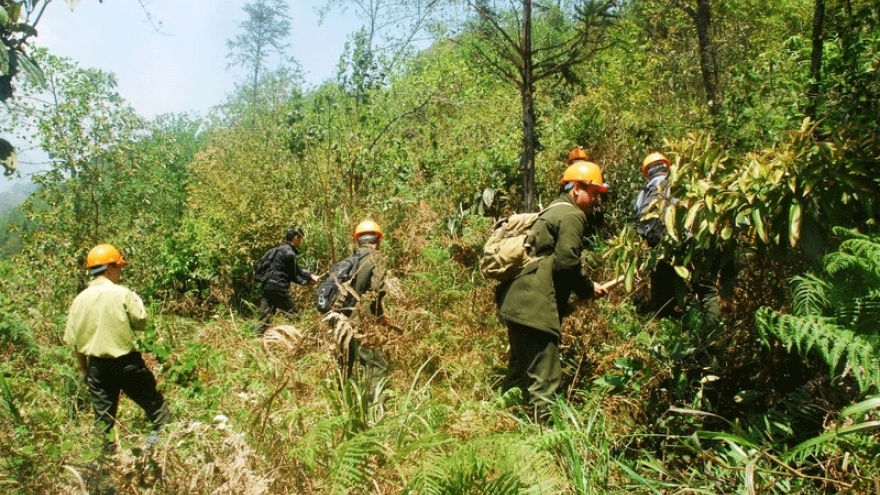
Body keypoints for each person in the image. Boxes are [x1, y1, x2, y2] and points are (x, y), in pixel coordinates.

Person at [495, 156, 610, 411]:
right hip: (534, 306)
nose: (595, 200)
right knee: (545, 380)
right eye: (593, 192)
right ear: (576, 188)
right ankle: (542, 444)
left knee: (518, 371)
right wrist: (588, 288)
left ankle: (496, 424)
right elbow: (567, 263)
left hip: (516, 301)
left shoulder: (550, 211)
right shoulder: (571, 213)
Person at [64, 244, 171, 454]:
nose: (120, 272)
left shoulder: (79, 300)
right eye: (119, 267)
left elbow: (77, 343)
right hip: (128, 364)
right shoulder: (123, 294)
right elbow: (141, 322)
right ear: (110, 268)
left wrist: (84, 370)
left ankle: (105, 470)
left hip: (98, 368)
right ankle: (159, 453)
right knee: (157, 409)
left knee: (103, 424)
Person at [634, 152, 723, 325]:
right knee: (706, 292)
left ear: (647, 173)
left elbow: (638, 226)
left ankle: (667, 334)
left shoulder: (641, 196)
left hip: (659, 252)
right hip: (689, 245)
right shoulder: (679, 186)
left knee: (663, 299)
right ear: (667, 167)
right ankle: (712, 336)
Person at [334, 220, 389, 390]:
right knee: (376, 364)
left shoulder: (350, 259)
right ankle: (376, 408)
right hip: (363, 319)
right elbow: (376, 289)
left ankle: (341, 402)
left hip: (341, 320)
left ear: (358, 240)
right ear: (378, 240)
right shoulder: (377, 257)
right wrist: (378, 316)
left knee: (345, 362)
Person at [256, 225, 319, 336]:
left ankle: (256, 338)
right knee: (294, 315)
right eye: (300, 239)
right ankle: (303, 337)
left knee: (265, 316)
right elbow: (294, 275)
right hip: (278, 288)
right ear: (295, 238)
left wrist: (309, 276)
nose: (300, 242)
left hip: (267, 286)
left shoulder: (277, 250)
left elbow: (297, 270)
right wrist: (308, 282)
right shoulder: (290, 253)